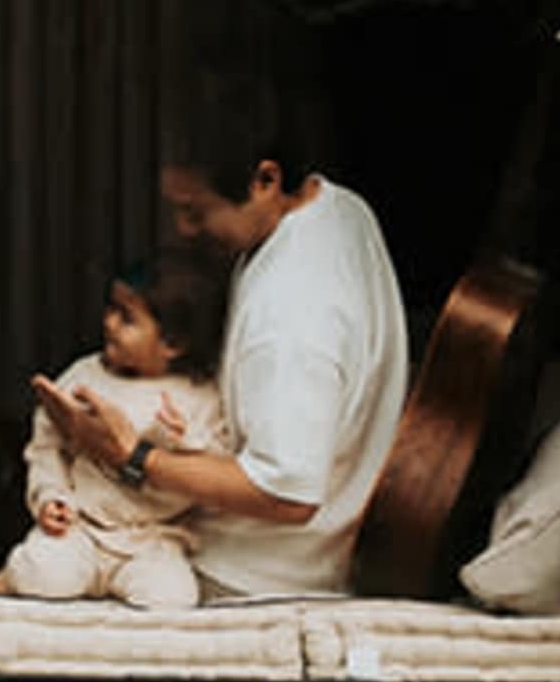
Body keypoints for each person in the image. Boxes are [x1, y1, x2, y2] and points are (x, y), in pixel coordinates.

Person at [32, 151, 409, 597]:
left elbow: (285, 495)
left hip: (243, 574)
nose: (183, 229)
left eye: (196, 211)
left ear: (265, 180)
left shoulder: (293, 315)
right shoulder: (335, 205)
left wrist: (130, 455)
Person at [0, 240, 229, 608]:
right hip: (81, 529)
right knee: (39, 574)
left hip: (153, 540)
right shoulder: (85, 375)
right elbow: (45, 448)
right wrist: (49, 496)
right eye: (111, 308)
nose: (109, 322)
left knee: (172, 597)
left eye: (127, 317)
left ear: (173, 343)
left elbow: (218, 471)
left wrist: (186, 441)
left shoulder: (200, 398)